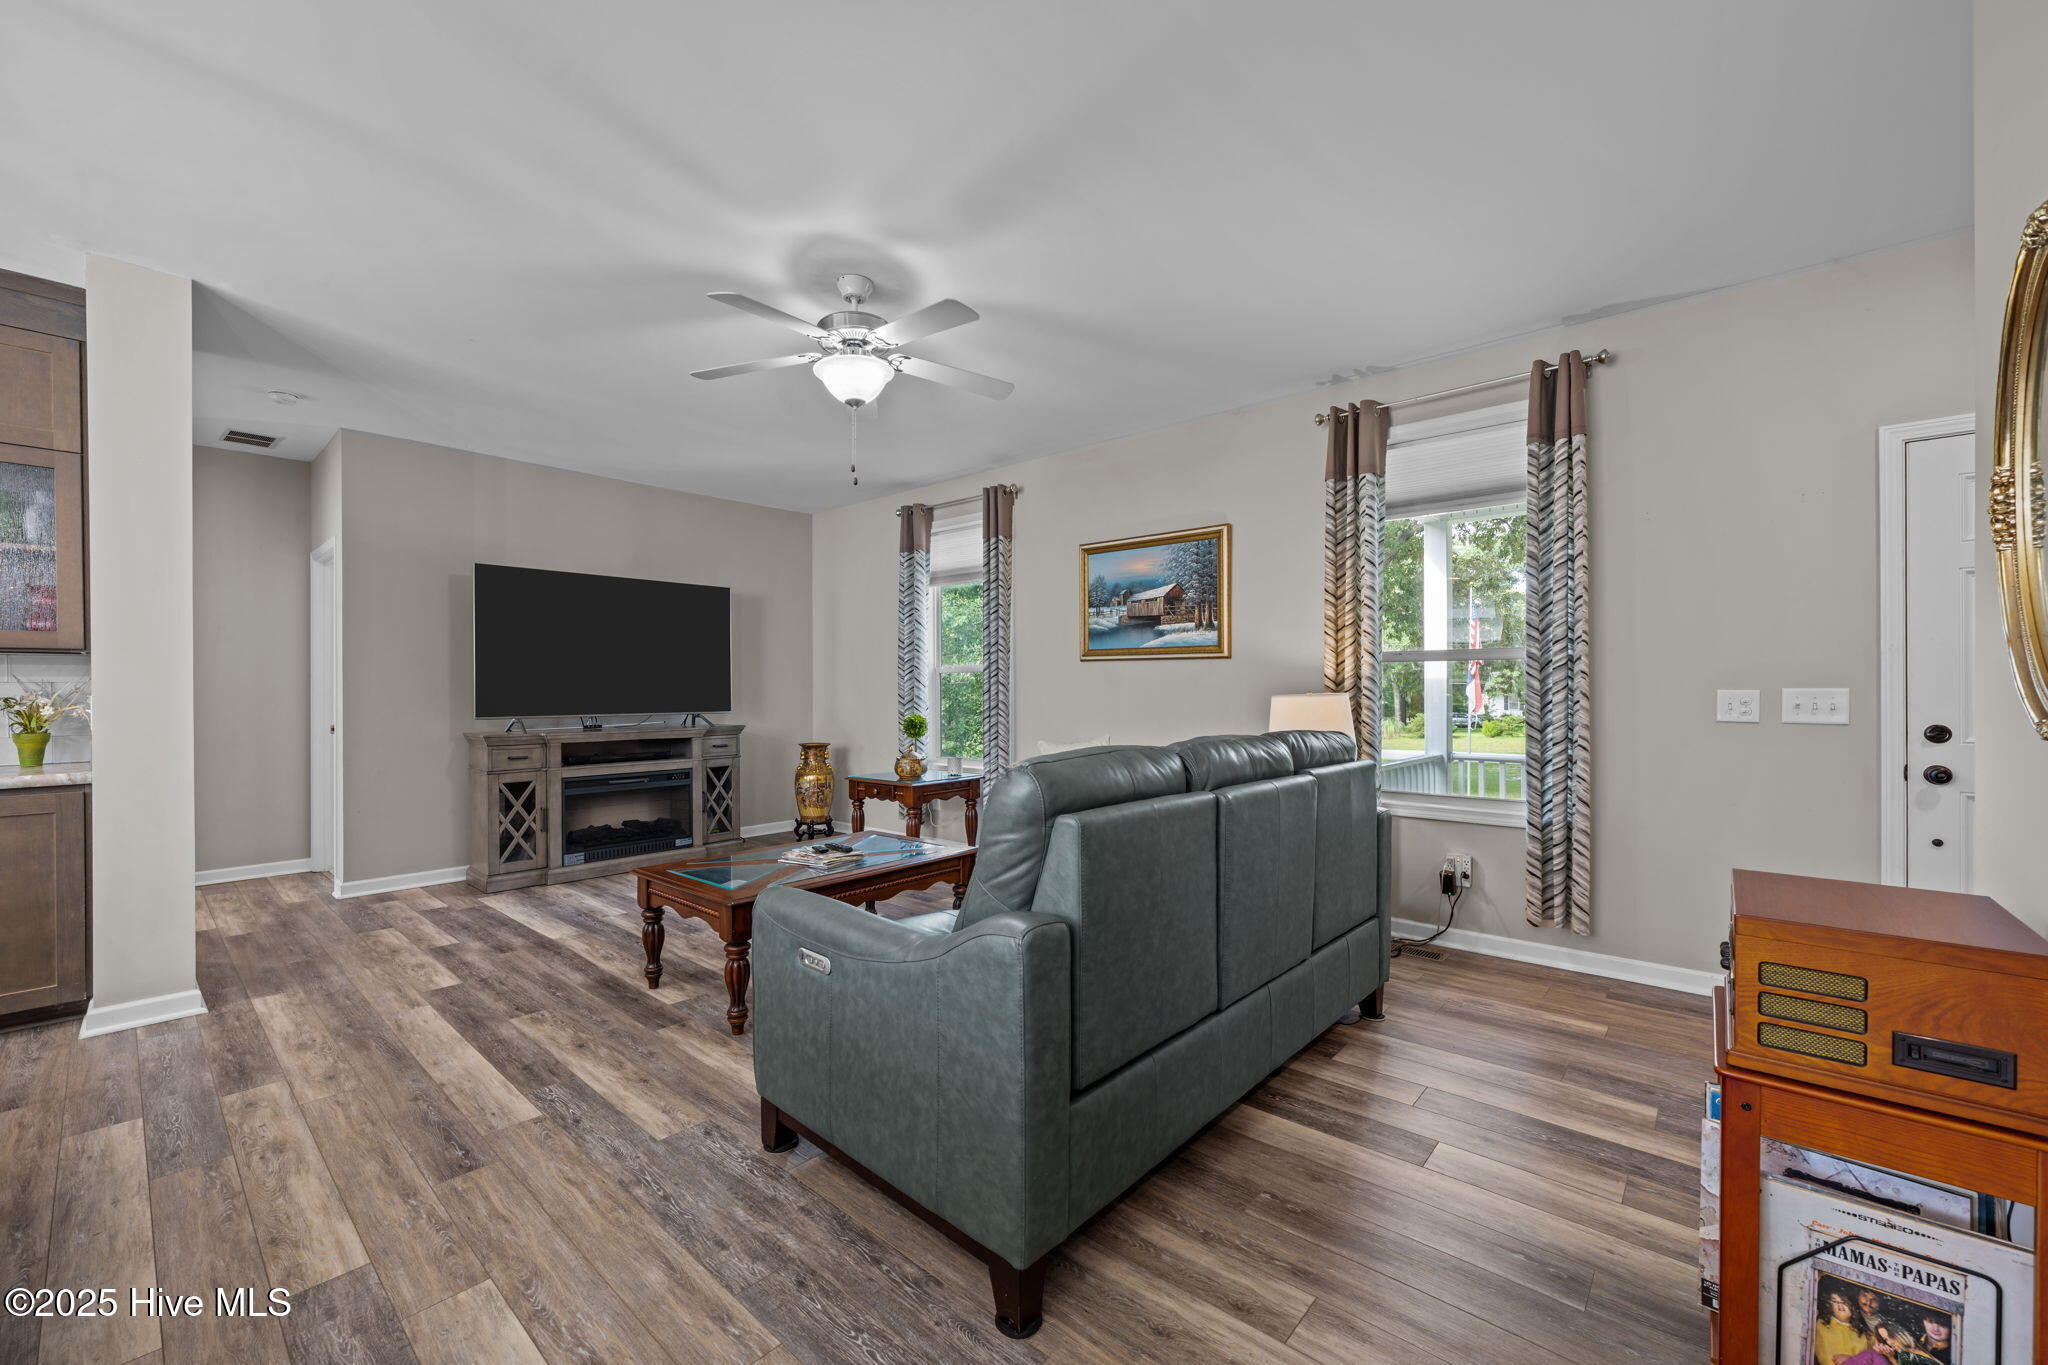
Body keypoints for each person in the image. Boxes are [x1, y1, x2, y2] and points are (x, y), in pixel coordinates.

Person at [1814, 1288, 1873, 1365]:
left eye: (1844, 1302)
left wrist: (1852, 1360)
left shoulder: (1866, 1335)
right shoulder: (1819, 1324)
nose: (1840, 1305)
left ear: (1853, 1305)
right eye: (1835, 1301)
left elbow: (1877, 1360)